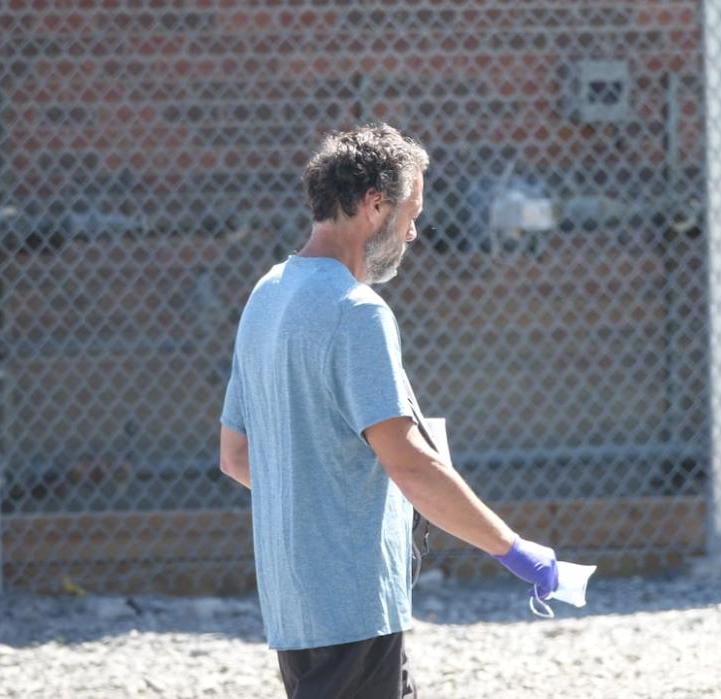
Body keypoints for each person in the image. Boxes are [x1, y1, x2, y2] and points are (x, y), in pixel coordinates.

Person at [218, 123, 559, 699]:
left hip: (293, 603)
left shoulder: (267, 294)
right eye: (410, 212)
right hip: (354, 605)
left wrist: (322, 508)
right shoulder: (358, 312)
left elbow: (236, 456)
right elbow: (410, 464)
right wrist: (513, 548)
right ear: (376, 205)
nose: (415, 231)